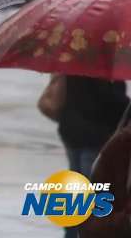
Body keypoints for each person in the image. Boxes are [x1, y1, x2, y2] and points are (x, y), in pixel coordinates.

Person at [57, 75, 129, 238]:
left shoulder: (73, 61)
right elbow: (111, 103)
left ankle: (70, 232)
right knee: (94, 192)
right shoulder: (106, 72)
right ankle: (79, 231)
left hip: (71, 131)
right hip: (95, 135)